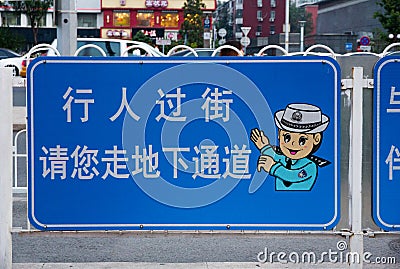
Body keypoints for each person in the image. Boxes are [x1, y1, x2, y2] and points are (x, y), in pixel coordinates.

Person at [250, 103, 330, 191]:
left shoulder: (310, 166)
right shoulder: (284, 159)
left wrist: (272, 167)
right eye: (287, 137)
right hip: (277, 202)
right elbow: (274, 156)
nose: (292, 144)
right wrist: (264, 146)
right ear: (279, 135)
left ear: (316, 139)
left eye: (302, 140)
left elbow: (292, 176)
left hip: (303, 203)